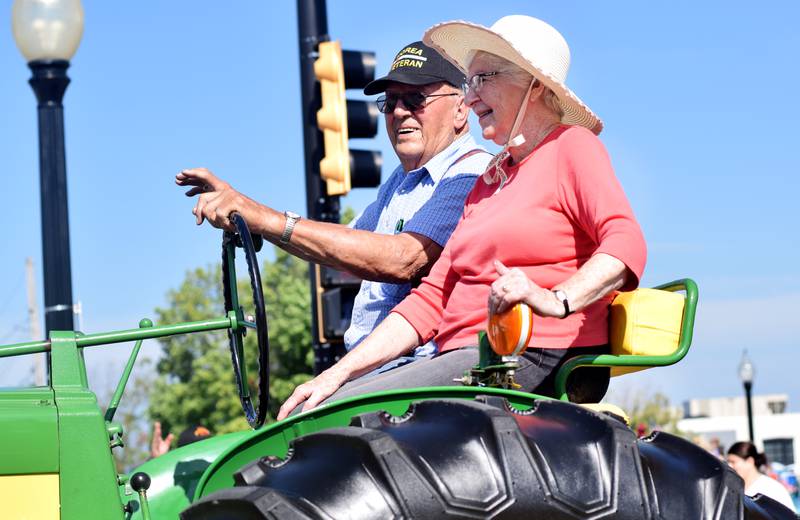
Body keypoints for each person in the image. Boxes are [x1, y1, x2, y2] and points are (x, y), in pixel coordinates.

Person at [277, 15, 646, 420]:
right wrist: (336, 374)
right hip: (464, 356)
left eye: (483, 79)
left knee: (346, 417)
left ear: (535, 85)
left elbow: (625, 242)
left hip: (525, 354)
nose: (470, 99)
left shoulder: (571, 147)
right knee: (318, 406)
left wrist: (556, 299)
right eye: (470, 84)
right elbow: (431, 299)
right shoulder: (489, 180)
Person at [178, 41, 491, 364]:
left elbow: (403, 259)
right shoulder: (401, 181)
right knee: (304, 405)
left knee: (307, 407)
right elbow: (341, 253)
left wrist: (262, 217)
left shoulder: (471, 172)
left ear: (461, 107)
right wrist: (251, 219)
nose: (399, 112)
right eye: (391, 102)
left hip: (425, 366)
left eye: (416, 99)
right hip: (383, 367)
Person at [727, 441, 797, 512]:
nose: (729, 466)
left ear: (749, 461)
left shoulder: (771, 488)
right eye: (728, 462)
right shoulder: (732, 488)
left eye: (733, 462)